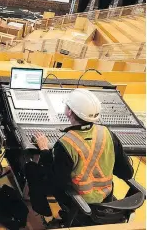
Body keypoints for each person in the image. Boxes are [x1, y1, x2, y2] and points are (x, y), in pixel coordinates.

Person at [26, 89, 133, 225]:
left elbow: (58, 181)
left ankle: (45, 214)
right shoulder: (108, 134)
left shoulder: (67, 143)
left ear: (69, 112)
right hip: (106, 199)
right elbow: (127, 172)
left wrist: (45, 151)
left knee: (31, 168)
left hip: (80, 202)